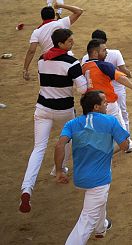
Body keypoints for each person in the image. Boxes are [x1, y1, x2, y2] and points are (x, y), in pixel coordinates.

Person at [19, 28, 87, 213]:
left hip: (42, 108)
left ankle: (26, 189)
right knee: (67, 139)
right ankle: (59, 169)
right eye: (69, 41)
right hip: (64, 110)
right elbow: (82, 89)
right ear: (61, 44)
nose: (72, 42)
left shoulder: (42, 59)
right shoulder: (72, 63)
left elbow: (43, 81)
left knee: (38, 148)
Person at [55, 90, 129, 243]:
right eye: (104, 102)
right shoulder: (110, 121)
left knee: (99, 201)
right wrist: (107, 151)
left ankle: (101, 228)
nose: (107, 103)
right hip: (99, 179)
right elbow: (125, 146)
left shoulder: (72, 123)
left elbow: (60, 145)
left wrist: (59, 170)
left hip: (80, 178)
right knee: (87, 221)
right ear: (96, 107)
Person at [82, 39, 132, 151]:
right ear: (95, 53)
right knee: (123, 137)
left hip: (92, 108)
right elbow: (121, 78)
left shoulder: (84, 67)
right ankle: (122, 147)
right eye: (104, 50)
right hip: (108, 104)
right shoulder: (103, 65)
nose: (106, 53)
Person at [23, 3, 84, 80]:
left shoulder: (37, 32)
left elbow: (31, 51)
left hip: (48, 61)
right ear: (54, 15)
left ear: (42, 18)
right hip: (66, 59)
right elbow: (79, 11)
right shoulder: (61, 23)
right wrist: (60, 5)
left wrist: (25, 69)